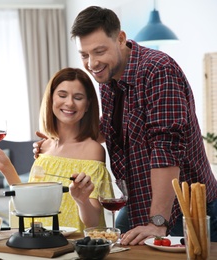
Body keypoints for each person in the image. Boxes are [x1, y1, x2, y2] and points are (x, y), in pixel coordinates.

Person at [34, 6, 217, 245]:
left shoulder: (158, 70)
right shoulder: (107, 77)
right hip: (138, 205)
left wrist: (157, 223)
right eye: (84, 54)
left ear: (120, 38)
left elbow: (166, 151)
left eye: (99, 51)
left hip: (186, 210)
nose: (92, 63)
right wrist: (56, 144)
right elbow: (110, 127)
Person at [0, 67, 112, 232]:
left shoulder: (93, 150)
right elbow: (29, 204)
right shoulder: (43, 147)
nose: (69, 103)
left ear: (87, 105)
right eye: (62, 95)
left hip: (73, 248)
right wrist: (6, 167)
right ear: (51, 99)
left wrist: (82, 200)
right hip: (38, 243)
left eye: (78, 97)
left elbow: (94, 223)